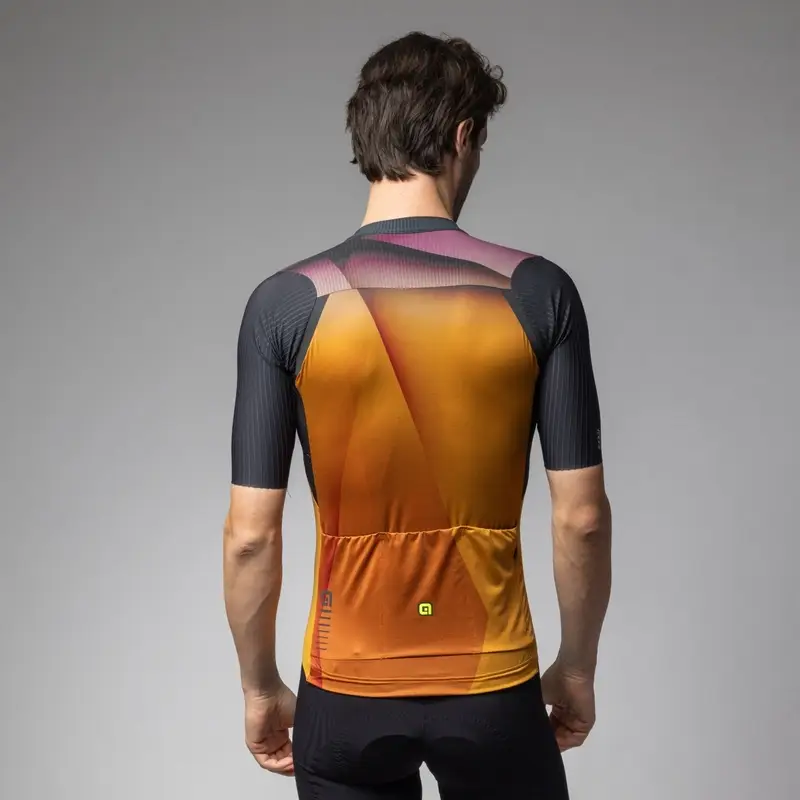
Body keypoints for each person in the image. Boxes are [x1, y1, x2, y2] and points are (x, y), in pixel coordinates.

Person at [223, 31, 612, 800]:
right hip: (492, 683)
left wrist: (259, 685)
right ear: (464, 136)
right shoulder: (537, 292)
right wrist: (576, 666)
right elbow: (582, 519)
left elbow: (250, 535)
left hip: (346, 685)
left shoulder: (287, 303)